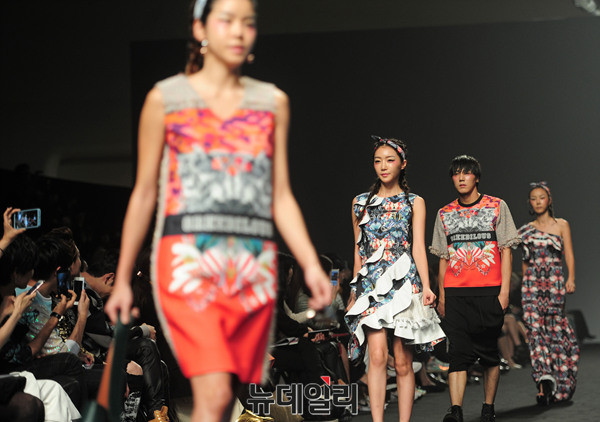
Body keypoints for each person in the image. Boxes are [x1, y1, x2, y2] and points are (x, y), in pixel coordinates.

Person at [104, 1, 331, 421]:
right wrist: (121, 279)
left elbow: (280, 195)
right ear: (200, 28)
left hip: (248, 261)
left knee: (227, 393)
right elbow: (145, 193)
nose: (238, 31)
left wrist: (310, 265)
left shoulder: (271, 102)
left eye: (248, 22)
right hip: (188, 258)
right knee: (212, 389)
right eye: (226, 20)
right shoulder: (165, 99)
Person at [345, 136, 445, 422]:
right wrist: (354, 290)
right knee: (377, 356)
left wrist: (427, 286)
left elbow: (418, 247)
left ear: (403, 164)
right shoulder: (360, 203)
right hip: (371, 284)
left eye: (390, 160)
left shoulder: (414, 202)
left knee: (402, 361)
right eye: (378, 161)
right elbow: (358, 250)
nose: (383, 166)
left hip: (404, 282)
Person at [430, 155, 520, 422]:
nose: (461, 177)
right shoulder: (444, 213)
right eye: (456, 173)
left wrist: (504, 293)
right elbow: (443, 258)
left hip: (489, 292)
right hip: (455, 294)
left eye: (466, 172)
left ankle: (488, 408)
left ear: (476, 177)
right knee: (458, 353)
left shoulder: (497, 206)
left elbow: (506, 251)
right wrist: (442, 296)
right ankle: (455, 411)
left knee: (489, 353)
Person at [517, 181, 579, 405]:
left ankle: (561, 383)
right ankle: (544, 383)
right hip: (532, 285)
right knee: (534, 332)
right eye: (533, 199)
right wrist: (524, 286)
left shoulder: (561, 225)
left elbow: (568, 254)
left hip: (554, 283)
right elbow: (525, 262)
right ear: (530, 203)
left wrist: (570, 278)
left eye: (541, 197)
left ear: (549, 200)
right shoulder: (525, 230)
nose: (537, 202)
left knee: (554, 332)